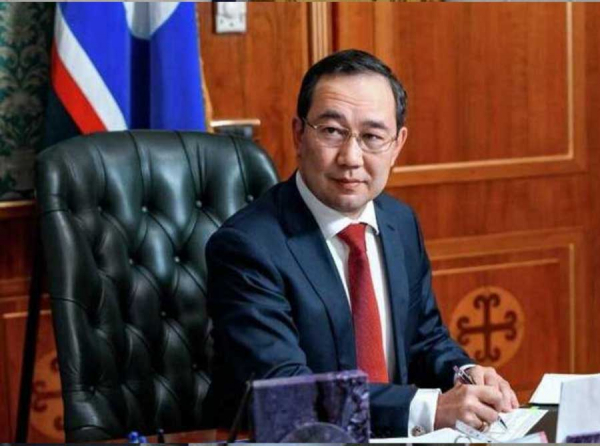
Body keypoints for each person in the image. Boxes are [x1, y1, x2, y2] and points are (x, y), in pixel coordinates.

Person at [204, 49, 518, 437]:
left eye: (372, 137)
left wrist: (466, 375)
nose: (351, 158)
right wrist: (428, 408)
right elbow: (289, 392)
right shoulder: (246, 247)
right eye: (332, 131)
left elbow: (425, 339)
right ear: (299, 134)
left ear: (397, 145)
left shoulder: (399, 222)